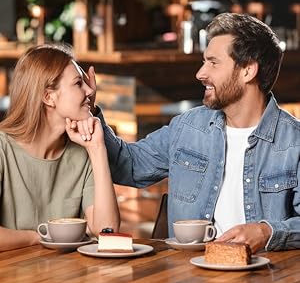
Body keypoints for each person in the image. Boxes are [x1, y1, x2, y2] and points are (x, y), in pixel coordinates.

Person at [80, 13, 300, 253]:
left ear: (248, 71)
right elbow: (128, 165)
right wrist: (90, 114)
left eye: (213, 63)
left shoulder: (294, 142)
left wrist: (267, 232)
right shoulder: (188, 127)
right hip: (188, 275)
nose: (200, 73)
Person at [0, 44, 120, 251]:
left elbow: (107, 231)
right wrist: (37, 237)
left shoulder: (84, 151)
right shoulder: (3, 149)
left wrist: (97, 148)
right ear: (48, 97)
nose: (91, 90)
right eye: (78, 83)